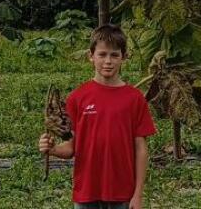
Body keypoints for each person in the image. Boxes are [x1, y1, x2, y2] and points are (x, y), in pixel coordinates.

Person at [38, 24, 157, 209]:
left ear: (123, 57)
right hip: (87, 191)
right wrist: (52, 149)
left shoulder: (135, 99)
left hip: (122, 192)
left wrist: (138, 194)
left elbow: (141, 149)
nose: (108, 61)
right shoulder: (77, 98)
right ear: (91, 57)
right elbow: (71, 147)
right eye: (102, 54)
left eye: (114, 55)